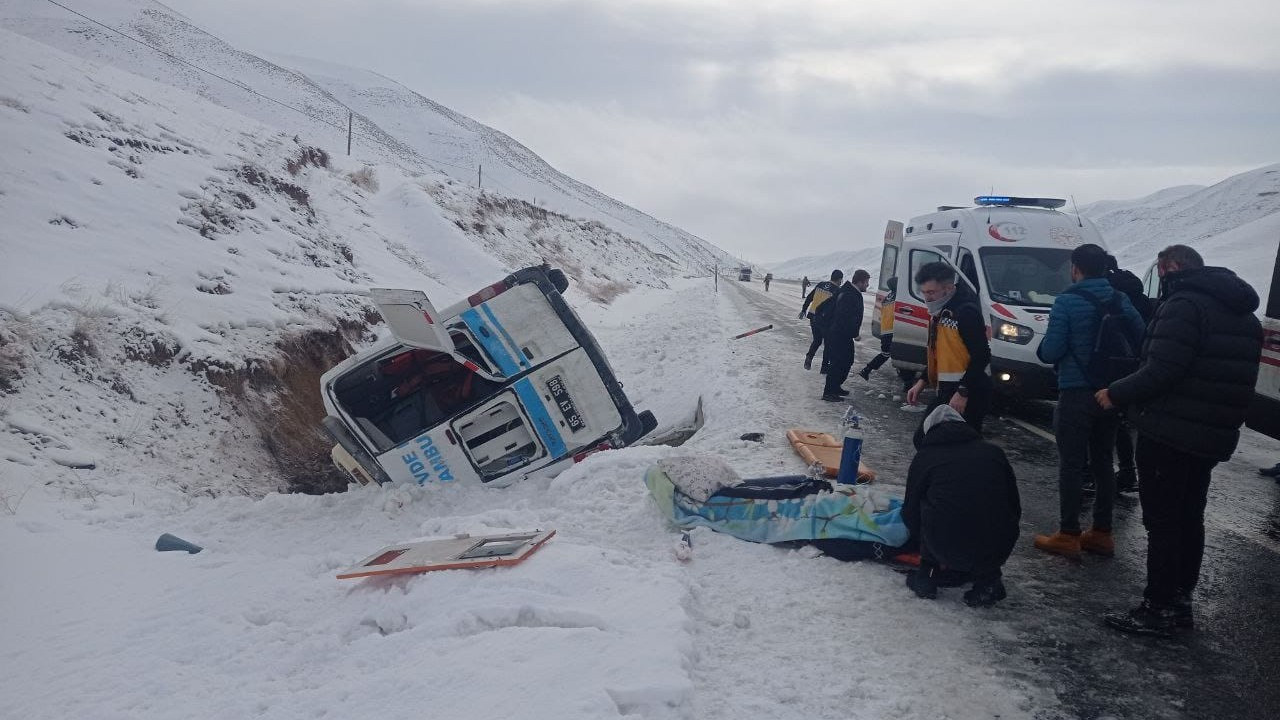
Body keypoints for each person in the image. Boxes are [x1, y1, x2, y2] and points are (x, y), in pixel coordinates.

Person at [1095, 245, 1262, 637]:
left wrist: (1115, 393)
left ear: (1170, 268)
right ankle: (1180, 601)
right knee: (1189, 517)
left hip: (1169, 430)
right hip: (1210, 433)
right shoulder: (1242, 312)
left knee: (1164, 522)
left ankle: (1158, 606)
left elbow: (1162, 369)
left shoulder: (1185, 305)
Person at [1032, 244, 1145, 560]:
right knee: (1103, 461)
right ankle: (1102, 532)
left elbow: (1051, 351)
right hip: (1111, 394)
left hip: (1076, 392)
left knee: (1071, 463)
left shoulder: (1067, 301)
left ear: (1075, 268)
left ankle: (1068, 534)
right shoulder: (1121, 299)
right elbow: (1142, 337)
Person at [903, 404, 1022, 607]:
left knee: (932, 506)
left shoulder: (926, 457)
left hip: (943, 544)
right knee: (986, 511)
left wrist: (919, 541)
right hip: (998, 546)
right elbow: (1014, 505)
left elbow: (911, 511)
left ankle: (927, 575)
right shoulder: (993, 452)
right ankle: (988, 581)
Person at [906, 262, 992, 435]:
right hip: (947, 390)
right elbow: (940, 354)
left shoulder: (965, 312)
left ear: (949, 288)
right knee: (925, 438)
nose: (927, 298)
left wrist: (963, 391)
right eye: (923, 292)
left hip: (968, 391)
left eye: (931, 292)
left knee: (956, 446)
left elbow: (982, 354)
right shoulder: (941, 313)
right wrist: (922, 381)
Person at [1106, 254, 1155, 494]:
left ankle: (1090, 474)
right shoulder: (1133, 292)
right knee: (1120, 421)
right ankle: (1127, 471)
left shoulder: (1109, 295)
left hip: (1105, 364)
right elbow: (1142, 330)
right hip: (1130, 364)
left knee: (1093, 420)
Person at [822, 269, 871, 401]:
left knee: (846, 361)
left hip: (841, 334)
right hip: (839, 334)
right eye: (866, 282)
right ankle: (829, 392)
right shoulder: (849, 294)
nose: (867, 285)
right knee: (837, 363)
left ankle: (835, 387)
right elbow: (844, 316)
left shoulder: (848, 290)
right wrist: (854, 333)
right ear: (860, 282)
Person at [800, 270, 843, 372]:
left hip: (813, 316)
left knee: (817, 340)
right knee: (828, 344)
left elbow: (810, 297)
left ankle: (809, 357)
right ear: (840, 279)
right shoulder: (837, 290)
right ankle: (824, 368)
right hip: (824, 320)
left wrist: (803, 309)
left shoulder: (820, 284)